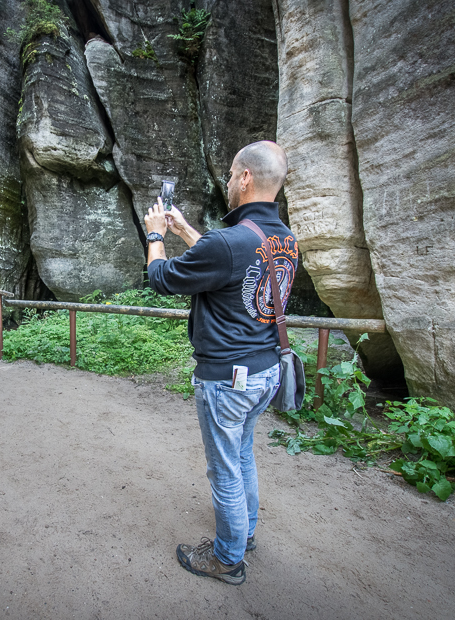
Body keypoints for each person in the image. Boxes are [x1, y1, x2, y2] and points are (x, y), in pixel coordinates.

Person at [145, 141, 298, 586]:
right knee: (242, 456)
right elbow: (228, 265)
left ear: (246, 177)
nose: (229, 182)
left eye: (232, 175)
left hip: (228, 380)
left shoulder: (229, 242)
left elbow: (161, 278)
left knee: (225, 470)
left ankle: (228, 558)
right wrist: (189, 232)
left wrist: (156, 235)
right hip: (264, 371)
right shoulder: (284, 239)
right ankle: (245, 534)